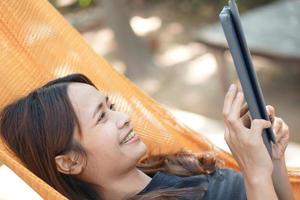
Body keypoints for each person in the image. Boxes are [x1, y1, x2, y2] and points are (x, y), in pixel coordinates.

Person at [0, 73, 294, 200]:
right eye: (102, 116)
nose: (124, 117)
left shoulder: (167, 165)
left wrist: (272, 159)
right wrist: (255, 172)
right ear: (70, 162)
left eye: (110, 107)